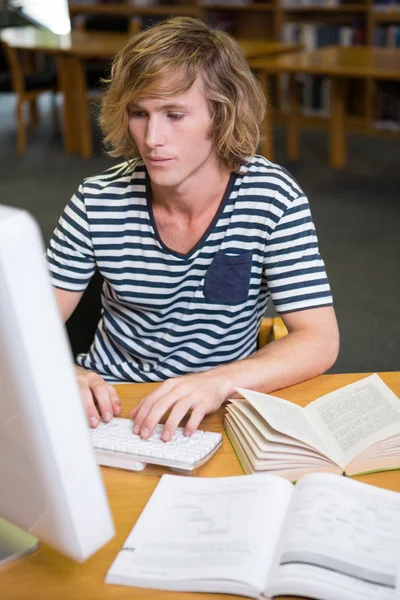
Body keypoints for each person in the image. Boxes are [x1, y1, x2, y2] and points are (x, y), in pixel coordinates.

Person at [47, 17, 339, 442]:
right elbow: (22, 330)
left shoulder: (272, 198)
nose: (152, 138)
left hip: (215, 407)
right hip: (111, 404)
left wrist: (220, 382)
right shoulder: (98, 200)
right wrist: (64, 372)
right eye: (139, 114)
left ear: (221, 115)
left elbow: (319, 338)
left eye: (175, 114)